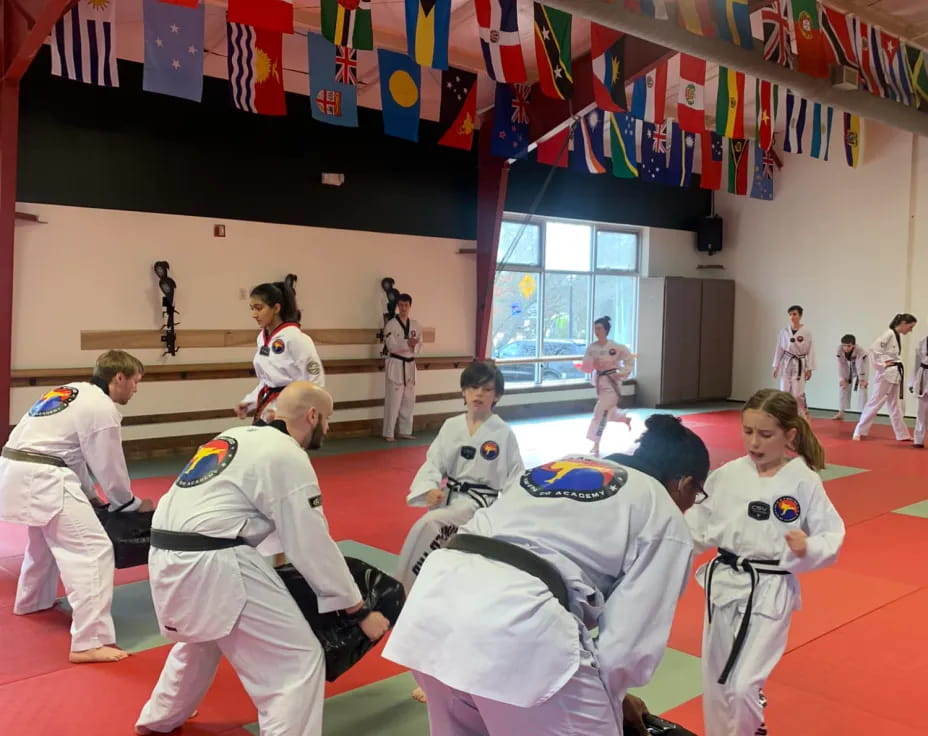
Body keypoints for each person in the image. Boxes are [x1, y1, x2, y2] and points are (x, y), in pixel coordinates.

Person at [383, 414, 711, 735]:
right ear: (683, 484)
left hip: (435, 605)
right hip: (517, 625)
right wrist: (613, 702)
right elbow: (626, 648)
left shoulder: (563, 464)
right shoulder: (663, 513)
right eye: (696, 495)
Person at [135, 382, 390, 736]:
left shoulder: (235, 437)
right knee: (297, 662)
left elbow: (257, 519)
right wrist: (356, 609)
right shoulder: (286, 453)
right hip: (215, 561)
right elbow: (310, 541)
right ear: (312, 415)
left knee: (201, 637)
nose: (329, 429)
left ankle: (158, 718)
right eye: (328, 420)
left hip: (165, 553)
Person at [685, 389, 845, 736]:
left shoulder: (803, 480)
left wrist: (808, 548)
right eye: (748, 432)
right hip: (723, 585)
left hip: (770, 591)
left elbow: (831, 535)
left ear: (790, 435)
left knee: (743, 686)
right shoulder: (728, 475)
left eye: (765, 434)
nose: (754, 442)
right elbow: (696, 527)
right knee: (716, 683)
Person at [0, 350, 154, 664]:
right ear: (119, 377)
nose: (136, 390)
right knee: (93, 551)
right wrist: (128, 503)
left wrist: (90, 497)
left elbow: (72, 455)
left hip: (14, 468)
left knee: (43, 542)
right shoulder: (101, 406)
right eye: (135, 382)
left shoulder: (70, 392)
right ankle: (90, 642)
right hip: (44, 476)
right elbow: (109, 464)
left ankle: (32, 601)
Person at [235, 275, 324, 424]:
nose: (254, 314)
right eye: (252, 309)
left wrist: (293, 412)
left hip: (293, 412)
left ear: (276, 308)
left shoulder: (296, 338)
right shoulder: (262, 338)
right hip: (268, 408)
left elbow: (315, 381)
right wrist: (249, 401)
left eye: (259, 308)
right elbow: (268, 381)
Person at [852, 313, 918, 442]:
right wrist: (883, 364)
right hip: (886, 374)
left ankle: (902, 434)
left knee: (896, 405)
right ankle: (859, 431)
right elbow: (873, 349)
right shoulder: (888, 334)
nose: (910, 330)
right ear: (903, 323)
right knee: (875, 402)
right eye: (910, 327)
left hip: (895, 373)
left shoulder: (896, 335)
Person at [582, 316, 634, 456]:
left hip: (612, 385)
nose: (596, 331)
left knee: (599, 414)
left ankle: (596, 443)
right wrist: (591, 364)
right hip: (600, 383)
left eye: (599, 328)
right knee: (607, 413)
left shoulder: (616, 347)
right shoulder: (592, 348)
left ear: (606, 330)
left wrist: (622, 373)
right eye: (595, 328)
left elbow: (629, 361)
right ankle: (623, 417)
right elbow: (586, 368)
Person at [383, 293, 422, 441]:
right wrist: (408, 344)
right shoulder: (391, 325)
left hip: (411, 364)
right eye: (401, 305)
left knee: (408, 400)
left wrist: (415, 345)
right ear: (398, 306)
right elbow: (391, 346)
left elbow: (420, 345)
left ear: (410, 306)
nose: (403, 308)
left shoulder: (416, 325)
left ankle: (405, 431)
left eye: (406, 305)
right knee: (393, 401)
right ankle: (389, 433)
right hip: (397, 364)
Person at [771, 305, 815, 418]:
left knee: (797, 393)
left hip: (799, 363)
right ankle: (784, 415)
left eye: (794, 314)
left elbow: (811, 351)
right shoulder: (784, 331)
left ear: (800, 316)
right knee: (784, 391)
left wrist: (809, 369)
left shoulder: (806, 332)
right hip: (786, 362)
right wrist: (776, 366)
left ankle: (802, 414)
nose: (792, 317)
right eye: (790, 314)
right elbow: (779, 349)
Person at [831, 334, 869, 421]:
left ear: (854, 345)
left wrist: (862, 379)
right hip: (849, 365)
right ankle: (841, 412)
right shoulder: (839, 349)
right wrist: (842, 378)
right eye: (844, 345)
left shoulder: (860, 351)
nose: (846, 348)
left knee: (863, 387)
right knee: (843, 386)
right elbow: (841, 364)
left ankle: (863, 414)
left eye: (849, 346)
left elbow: (860, 365)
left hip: (863, 364)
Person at [910, 332, 928, 448]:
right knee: (921, 411)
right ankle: (918, 440)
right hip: (923, 376)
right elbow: (916, 364)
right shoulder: (923, 342)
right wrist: (912, 382)